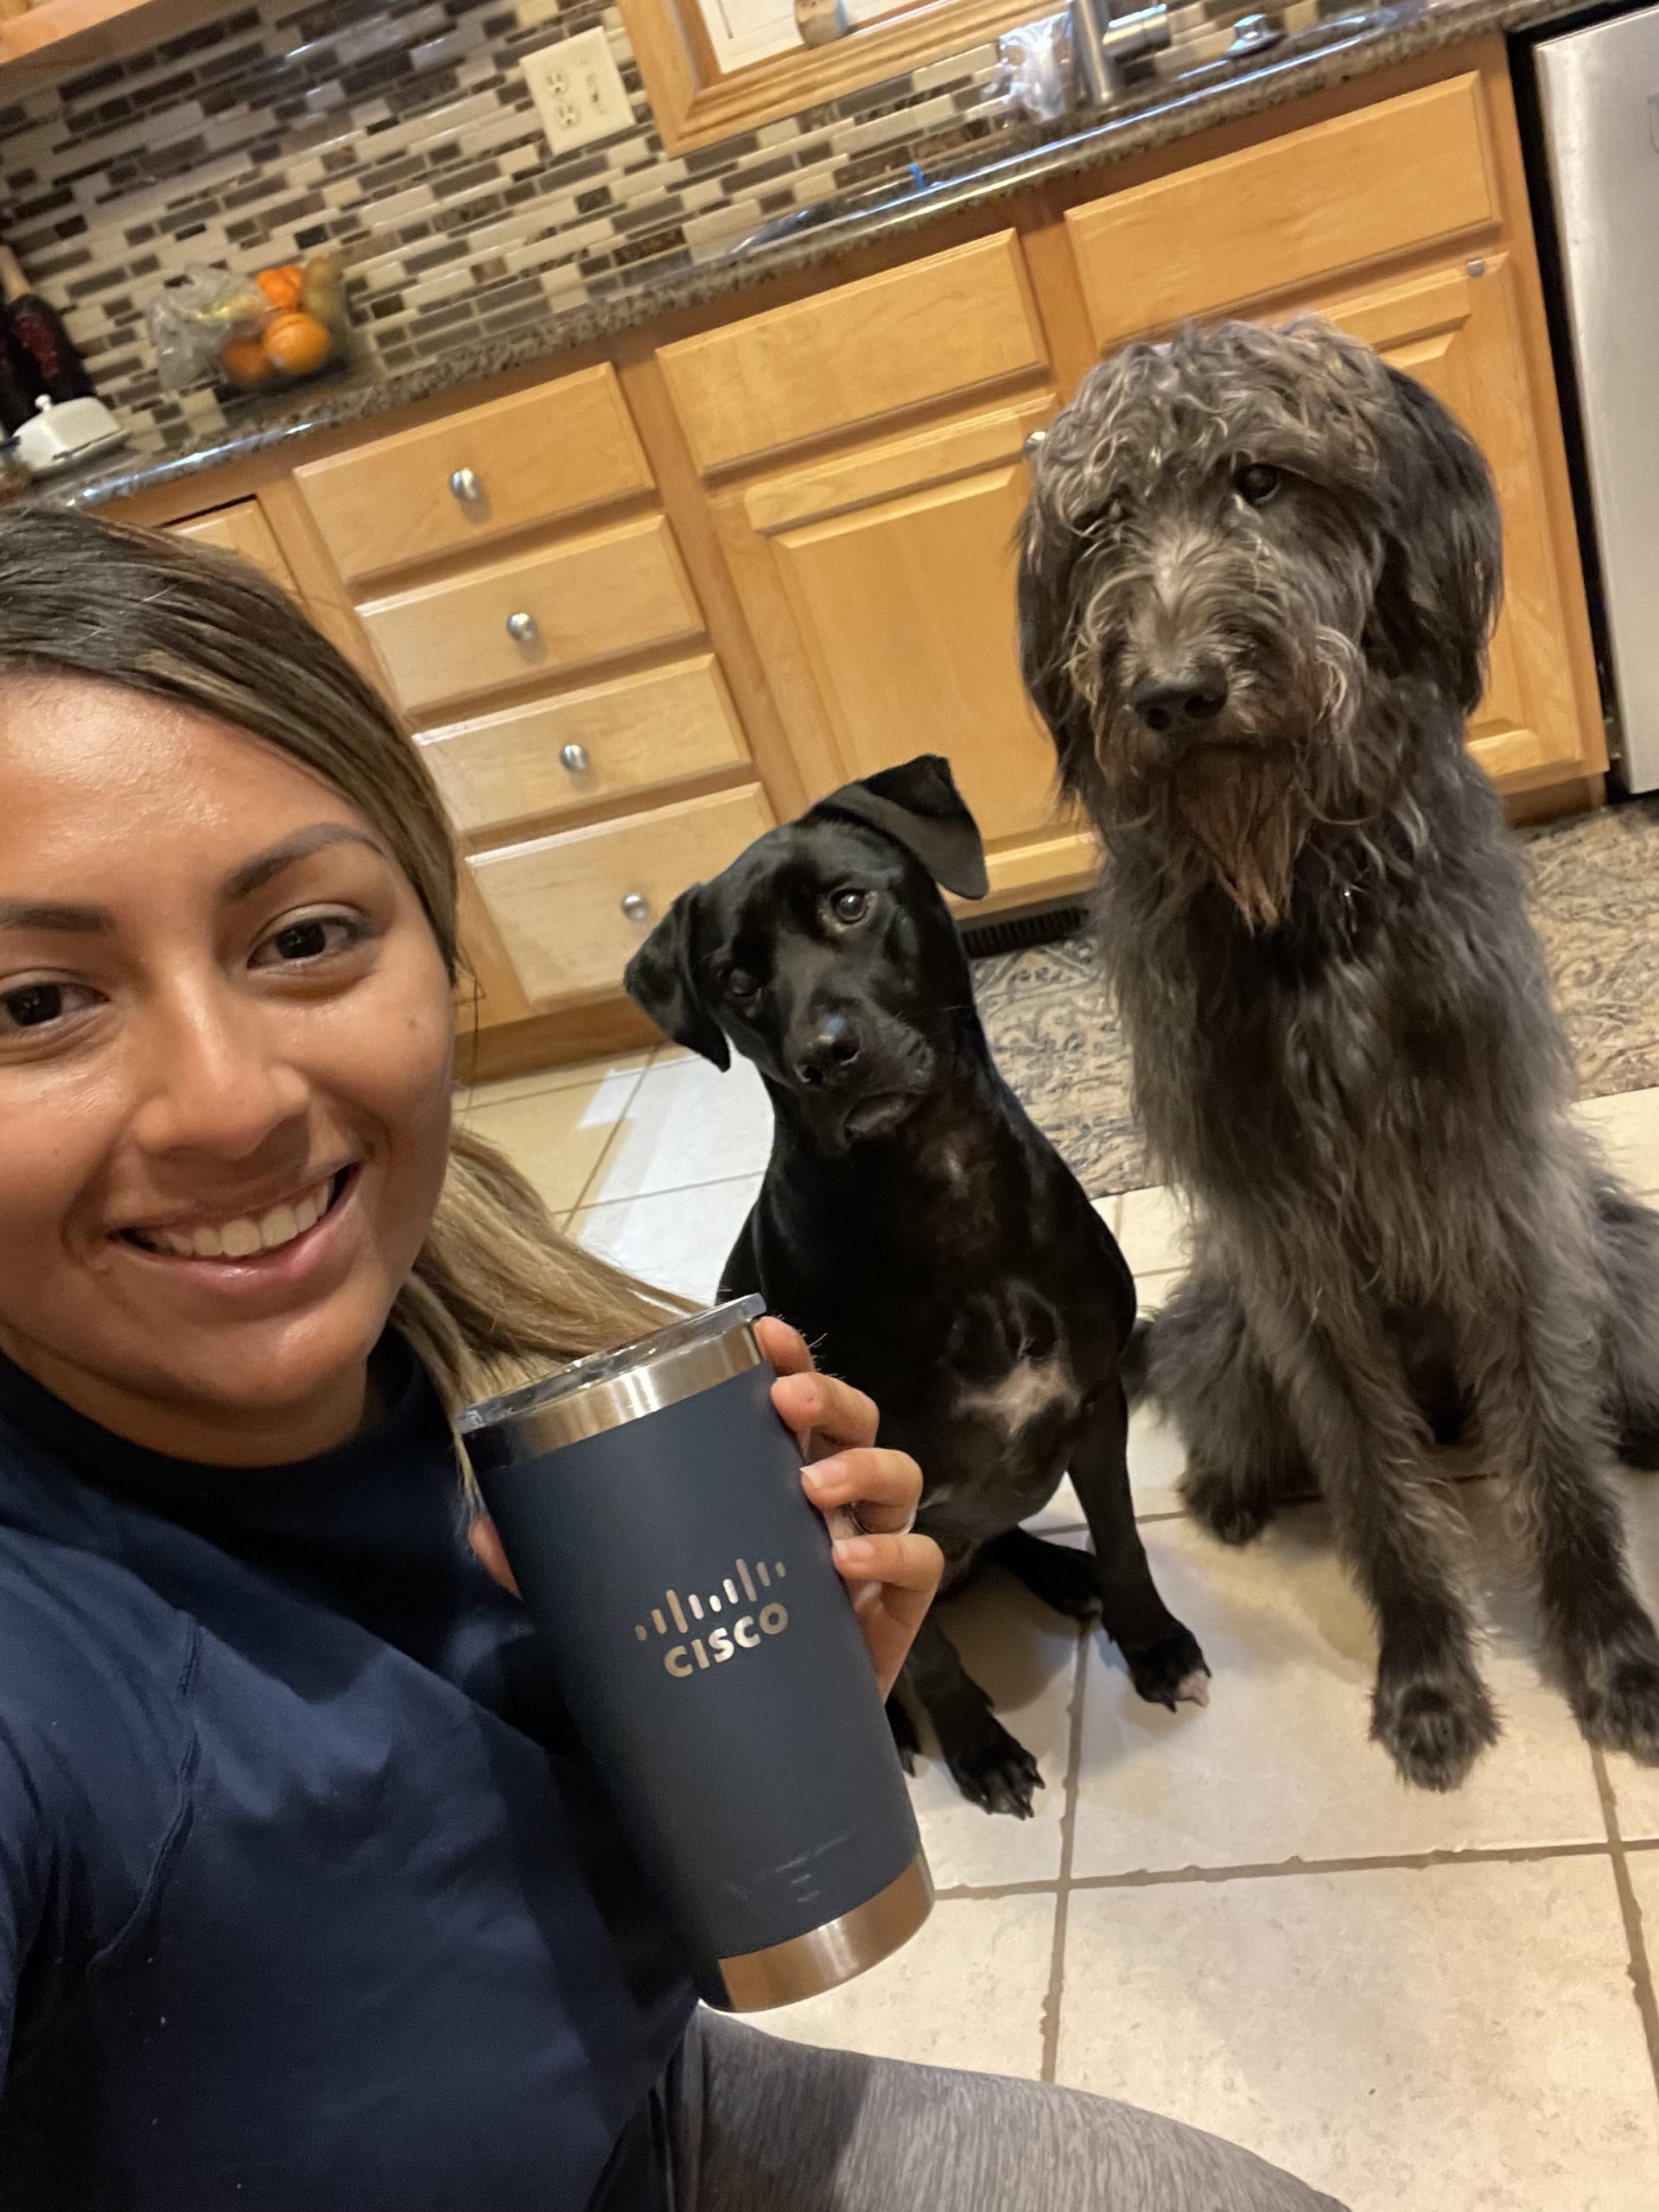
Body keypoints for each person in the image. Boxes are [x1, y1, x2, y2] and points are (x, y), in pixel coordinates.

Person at [0, 506, 1344, 2211]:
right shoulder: (45, 1677)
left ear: (430, 938)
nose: (234, 1099)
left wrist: (746, 1740)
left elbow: (558, 1938)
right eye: (32, 999)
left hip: (648, 2108)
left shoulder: (507, 1375)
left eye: (303, 933)